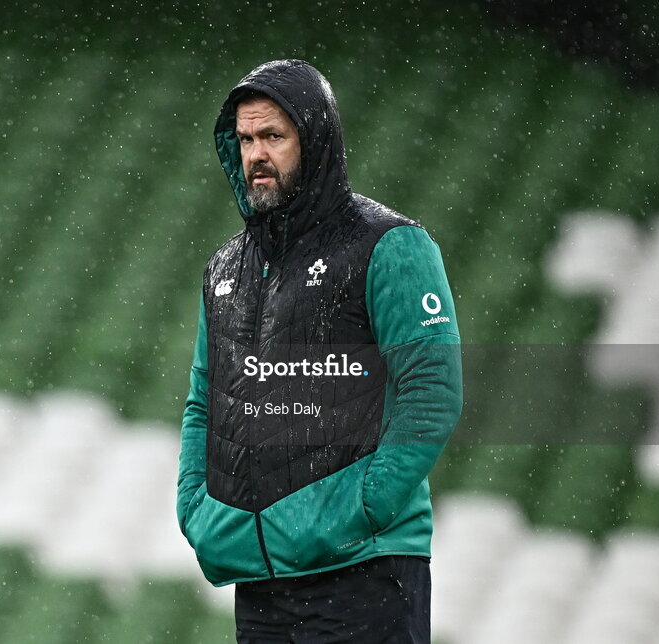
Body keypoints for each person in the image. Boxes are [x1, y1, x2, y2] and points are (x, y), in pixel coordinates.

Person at [176, 59, 463, 643]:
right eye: (246, 139)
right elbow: (204, 402)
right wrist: (197, 513)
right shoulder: (225, 269)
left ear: (316, 138)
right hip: (261, 584)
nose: (256, 154)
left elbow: (433, 391)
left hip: (366, 573)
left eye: (274, 137)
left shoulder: (391, 246)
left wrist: (362, 509)